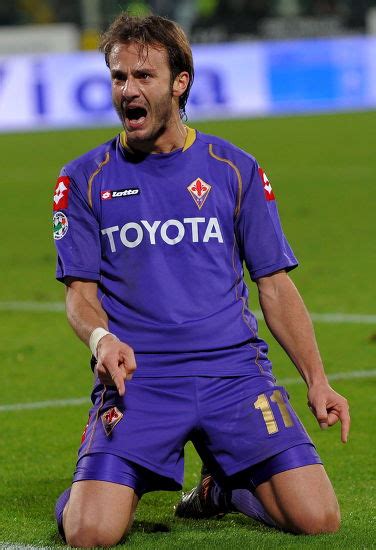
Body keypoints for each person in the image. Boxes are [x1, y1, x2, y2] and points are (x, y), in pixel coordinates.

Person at [52, 12, 350, 548]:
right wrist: (103, 340)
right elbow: (80, 297)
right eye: (118, 77)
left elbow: (275, 285)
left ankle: (225, 488)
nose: (127, 91)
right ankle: (93, 486)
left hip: (234, 373)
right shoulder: (82, 179)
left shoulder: (233, 168)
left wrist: (317, 379)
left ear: (179, 82)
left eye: (143, 76)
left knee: (317, 519)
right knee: (89, 532)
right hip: (139, 379)